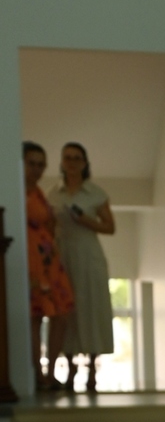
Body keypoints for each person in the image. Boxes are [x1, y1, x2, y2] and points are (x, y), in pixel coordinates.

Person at [50, 141, 115, 393]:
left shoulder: (96, 193)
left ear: (85, 163)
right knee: (66, 311)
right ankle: (69, 369)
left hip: (88, 256)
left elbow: (110, 227)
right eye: (68, 158)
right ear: (61, 162)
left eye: (77, 158)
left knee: (91, 308)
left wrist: (86, 220)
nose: (72, 162)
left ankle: (91, 371)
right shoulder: (53, 194)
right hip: (62, 256)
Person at [22, 141, 74, 391]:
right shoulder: (15, 190)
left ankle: (51, 371)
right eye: (31, 163)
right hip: (29, 258)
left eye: (41, 165)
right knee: (35, 315)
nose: (37, 169)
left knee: (61, 314)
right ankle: (37, 373)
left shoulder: (39, 193)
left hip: (48, 259)